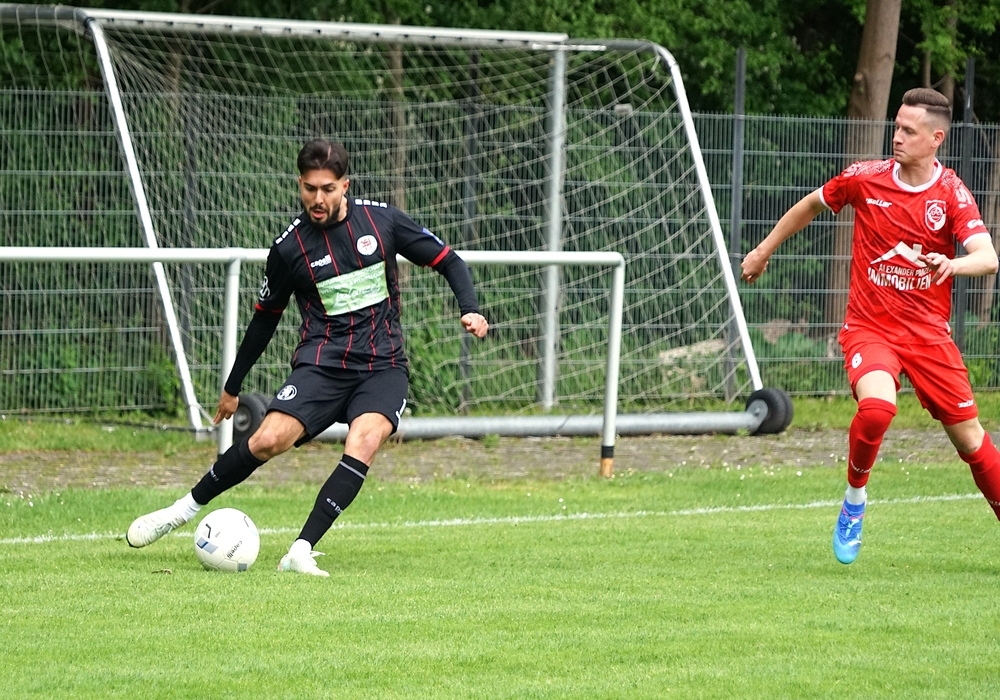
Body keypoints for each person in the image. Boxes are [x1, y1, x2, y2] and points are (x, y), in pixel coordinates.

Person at [127, 139, 489, 576]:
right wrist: (232, 387)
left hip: (383, 365)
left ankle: (300, 550)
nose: (318, 198)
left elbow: (450, 261)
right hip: (321, 365)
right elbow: (264, 320)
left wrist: (470, 308)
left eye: (328, 189)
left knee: (365, 441)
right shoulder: (289, 249)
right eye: (310, 188)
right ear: (300, 184)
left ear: (344, 186)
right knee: (266, 440)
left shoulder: (383, 222)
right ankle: (180, 511)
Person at [741, 88, 999, 565]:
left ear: (936, 139)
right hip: (870, 328)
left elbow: (987, 257)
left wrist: (953, 264)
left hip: (928, 335)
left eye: (908, 131)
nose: (896, 137)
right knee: (878, 409)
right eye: (896, 127)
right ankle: (854, 500)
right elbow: (811, 204)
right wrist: (763, 250)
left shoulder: (951, 193)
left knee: (971, 441)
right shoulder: (866, 178)